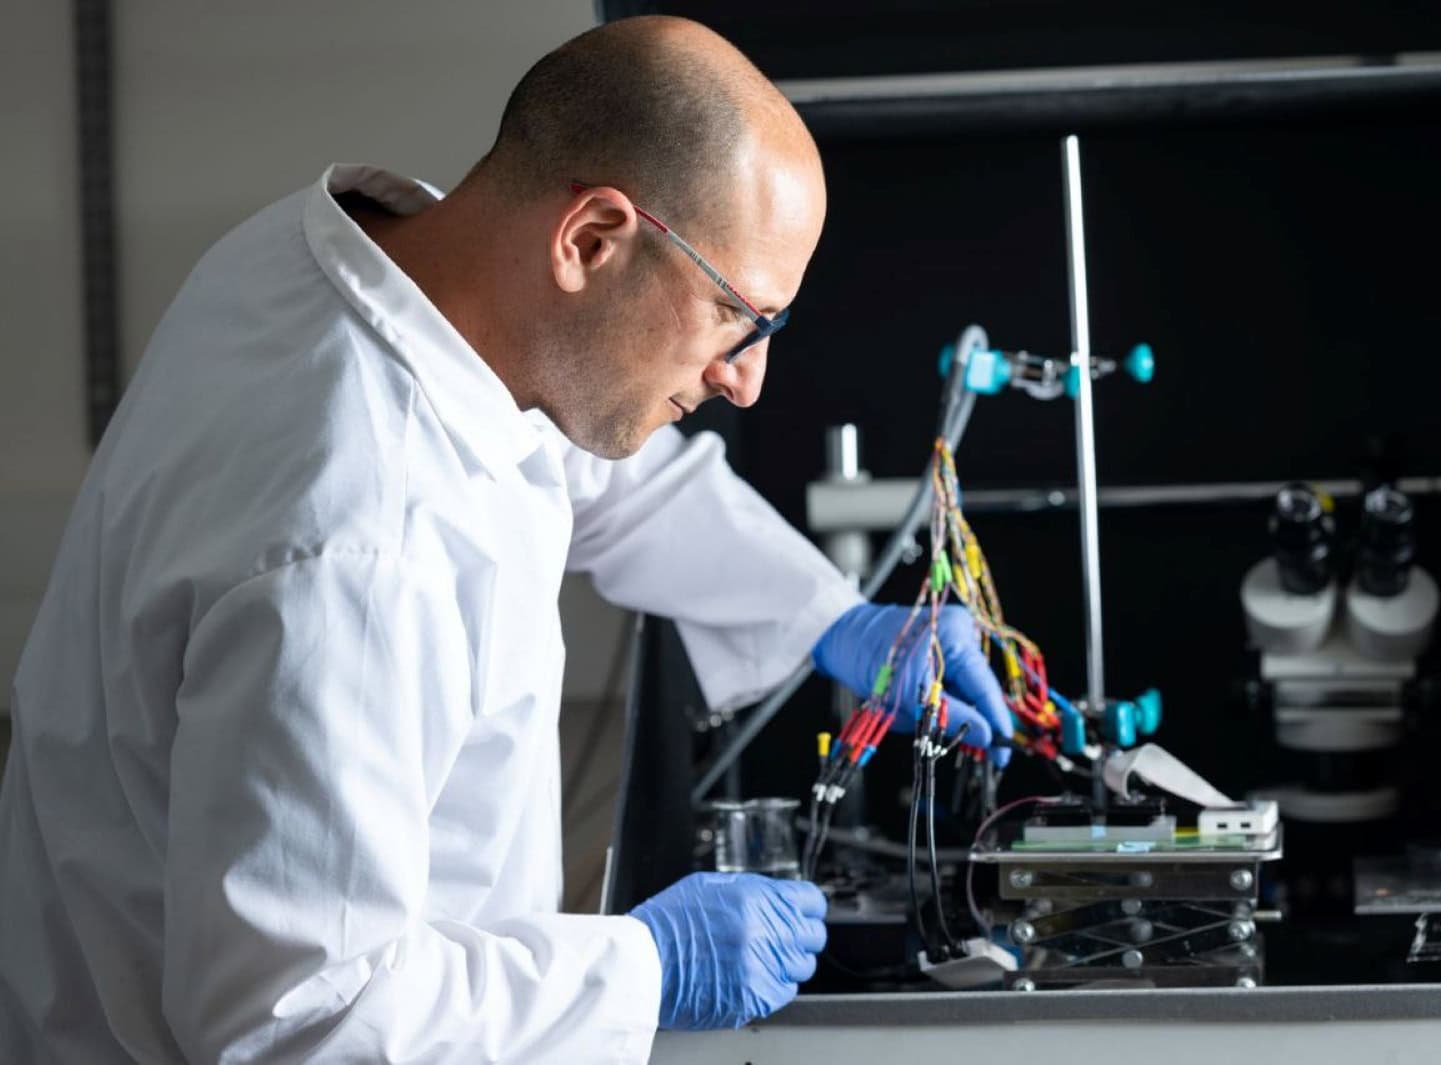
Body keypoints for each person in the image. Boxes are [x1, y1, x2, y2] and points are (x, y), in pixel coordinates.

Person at [0, 15, 1013, 1063]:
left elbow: (595, 474)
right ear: (589, 239)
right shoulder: (354, 544)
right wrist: (645, 969)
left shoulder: (386, 276)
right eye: (736, 319)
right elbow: (300, 1020)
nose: (744, 377)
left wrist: (832, 619)